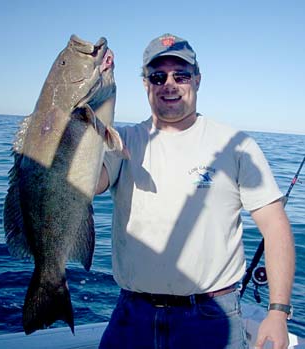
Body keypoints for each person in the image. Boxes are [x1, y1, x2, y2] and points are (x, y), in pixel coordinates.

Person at [95, 33, 295, 349]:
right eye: (158, 76)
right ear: (145, 83)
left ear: (197, 80)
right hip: (132, 314)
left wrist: (278, 312)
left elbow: (276, 226)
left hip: (212, 317)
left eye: (181, 75)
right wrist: (93, 90)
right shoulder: (120, 142)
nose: (169, 84)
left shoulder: (237, 146)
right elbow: (86, 184)